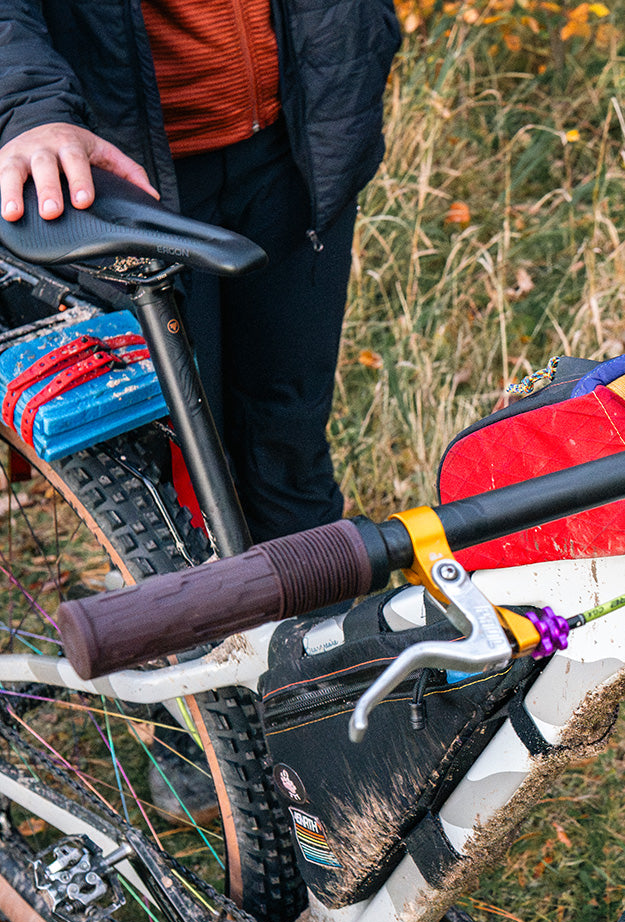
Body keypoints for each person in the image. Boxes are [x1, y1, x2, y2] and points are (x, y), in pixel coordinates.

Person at [0, 0, 401, 544]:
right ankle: (201, 616)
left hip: (300, 142)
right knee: (176, 472)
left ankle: (322, 618)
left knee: (290, 438)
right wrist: (25, 105)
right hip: (124, 171)